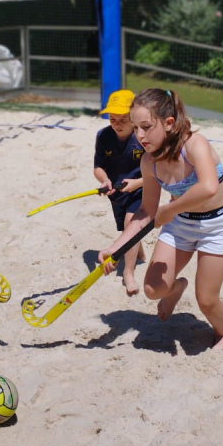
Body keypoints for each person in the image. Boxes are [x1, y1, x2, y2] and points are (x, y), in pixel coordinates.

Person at [98, 88, 223, 350]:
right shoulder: (149, 161)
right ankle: (176, 288)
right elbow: (147, 212)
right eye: (136, 127)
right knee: (152, 290)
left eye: (146, 127)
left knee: (206, 300)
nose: (139, 136)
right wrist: (115, 248)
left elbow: (209, 187)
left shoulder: (195, 144)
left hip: (217, 225)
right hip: (182, 224)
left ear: (169, 123)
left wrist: (170, 210)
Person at [94, 89, 145, 295]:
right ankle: (140, 256)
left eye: (122, 119)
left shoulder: (142, 136)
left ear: (134, 117)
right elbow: (98, 167)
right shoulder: (104, 136)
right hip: (116, 192)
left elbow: (159, 172)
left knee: (130, 225)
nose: (116, 123)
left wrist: (138, 183)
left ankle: (128, 273)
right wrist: (104, 180)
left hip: (141, 188)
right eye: (112, 118)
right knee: (130, 232)